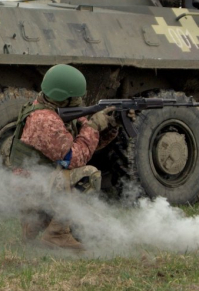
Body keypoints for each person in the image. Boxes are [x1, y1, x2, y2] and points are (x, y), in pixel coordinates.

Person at [8, 64, 117, 251]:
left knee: (99, 232)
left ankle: (33, 226)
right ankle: (56, 234)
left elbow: (87, 144)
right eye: (77, 97)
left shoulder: (50, 109)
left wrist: (111, 126)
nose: (80, 100)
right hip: (34, 189)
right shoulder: (45, 120)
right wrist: (92, 127)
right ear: (64, 98)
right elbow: (74, 159)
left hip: (38, 185)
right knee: (87, 175)